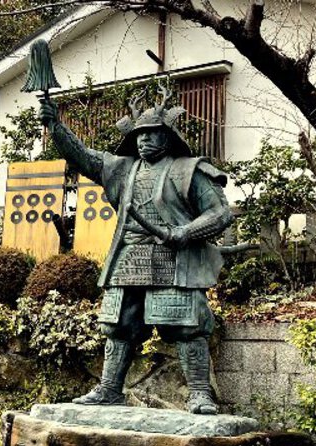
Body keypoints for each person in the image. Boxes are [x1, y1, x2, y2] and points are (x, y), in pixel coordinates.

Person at [39, 85, 234, 414]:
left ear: (168, 137)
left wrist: (184, 232)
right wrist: (55, 126)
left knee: (186, 325)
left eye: (152, 133)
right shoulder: (121, 169)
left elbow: (220, 213)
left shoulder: (189, 170)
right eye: (140, 134)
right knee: (119, 326)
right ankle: (109, 389)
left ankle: (200, 393)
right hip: (129, 256)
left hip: (174, 258)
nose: (144, 139)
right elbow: (82, 156)